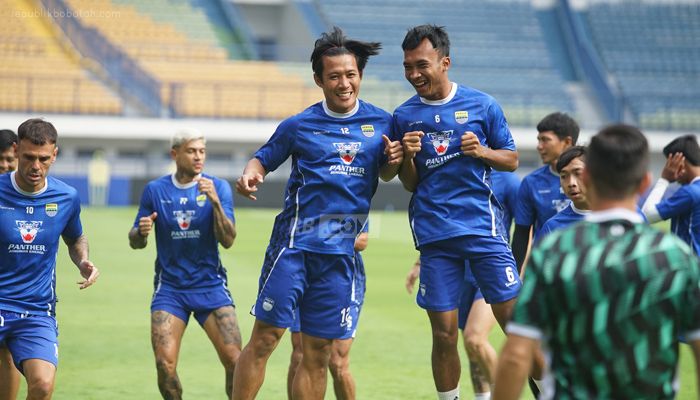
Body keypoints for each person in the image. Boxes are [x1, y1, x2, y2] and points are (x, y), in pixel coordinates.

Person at [232, 27, 403, 400]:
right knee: (264, 340)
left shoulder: (384, 123)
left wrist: (392, 162)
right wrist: (250, 174)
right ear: (318, 80)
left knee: (318, 353)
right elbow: (263, 158)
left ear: (360, 75)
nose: (344, 83)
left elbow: (388, 172)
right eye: (334, 76)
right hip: (294, 247)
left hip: (341, 254)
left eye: (351, 75)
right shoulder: (299, 125)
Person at [493, 124, 700, 399]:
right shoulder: (676, 257)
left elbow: (518, 354)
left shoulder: (554, 249)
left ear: (589, 176)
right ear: (645, 183)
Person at [395, 24, 544, 399]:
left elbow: (510, 160)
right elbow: (410, 182)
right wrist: (408, 157)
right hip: (435, 237)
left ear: (445, 62)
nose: (414, 74)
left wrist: (482, 152)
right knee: (444, 334)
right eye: (408, 66)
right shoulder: (403, 116)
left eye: (422, 65)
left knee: (517, 326)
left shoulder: (482, 105)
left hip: (483, 231)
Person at [128, 128, 241, 399]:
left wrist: (215, 202)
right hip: (171, 290)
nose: (198, 157)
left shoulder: (218, 187)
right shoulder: (155, 190)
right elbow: (135, 241)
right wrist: (141, 231)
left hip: (210, 286)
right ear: (175, 153)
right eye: (191, 151)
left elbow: (228, 240)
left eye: (202, 151)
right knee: (164, 365)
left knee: (236, 363)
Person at [0, 118, 100, 400]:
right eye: (29, 157)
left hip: (35, 311)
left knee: (42, 386)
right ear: (17, 150)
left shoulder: (66, 197)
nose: (36, 166)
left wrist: (83, 262)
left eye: (44, 159)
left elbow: (75, 238)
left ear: (54, 154)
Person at [406, 170, 519, 400]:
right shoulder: (450, 171)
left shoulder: (506, 180)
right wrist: (419, 263)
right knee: (464, 345)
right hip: (456, 274)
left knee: (474, 338)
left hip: (488, 270)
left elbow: (526, 225)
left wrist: (519, 269)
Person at [287, 227, 369, 400]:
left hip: (343, 276)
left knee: (337, 359)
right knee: (299, 352)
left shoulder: (349, 200)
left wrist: (321, 237)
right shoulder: (303, 199)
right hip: (304, 270)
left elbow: (361, 240)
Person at [511, 112, 579, 271]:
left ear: (567, 142)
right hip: (547, 265)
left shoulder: (593, 179)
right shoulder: (531, 182)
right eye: (538, 140)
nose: (539, 146)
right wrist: (515, 276)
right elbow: (521, 235)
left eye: (545, 140)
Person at [642, 134, 700, 255]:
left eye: (669, 164)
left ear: (679, 162)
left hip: (690, 266)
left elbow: (646, 215)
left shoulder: (690, 193)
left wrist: (664, 179)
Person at [0, 128, 19, 400]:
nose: (4, 166)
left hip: (15, 293)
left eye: (8, 160)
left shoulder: (26, 195)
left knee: (7, 353)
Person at [537, 146, 589, 239]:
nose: (571, 183)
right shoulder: (553, 226)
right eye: (564, 176)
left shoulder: (614, 218)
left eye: (578, 173)